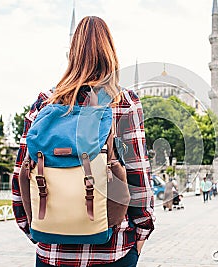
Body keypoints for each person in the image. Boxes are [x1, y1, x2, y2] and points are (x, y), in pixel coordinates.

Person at [11, 16, 154, 267]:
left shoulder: (44, 103)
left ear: (72, 53)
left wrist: (35, 230)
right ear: (111, 54)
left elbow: (20, 175)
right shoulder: (124, 102)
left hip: (52, 252)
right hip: (113, 250)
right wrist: (139, 238)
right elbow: (139, 179)